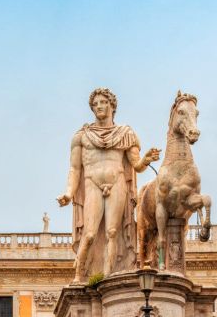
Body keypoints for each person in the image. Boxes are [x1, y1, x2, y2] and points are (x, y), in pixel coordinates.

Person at [57, 88, 159, 283]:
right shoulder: (81, 136)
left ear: (112, 105)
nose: (98, 107)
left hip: (117, 182)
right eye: (95, 104)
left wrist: (146, 159)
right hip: (92, 184)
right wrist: (69, 193)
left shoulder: (125, 134)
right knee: (89, 233)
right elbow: (75, 169)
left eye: (103, 102)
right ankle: (79, 276)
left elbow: (136, 165)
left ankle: (106, 278)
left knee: (113, 232)